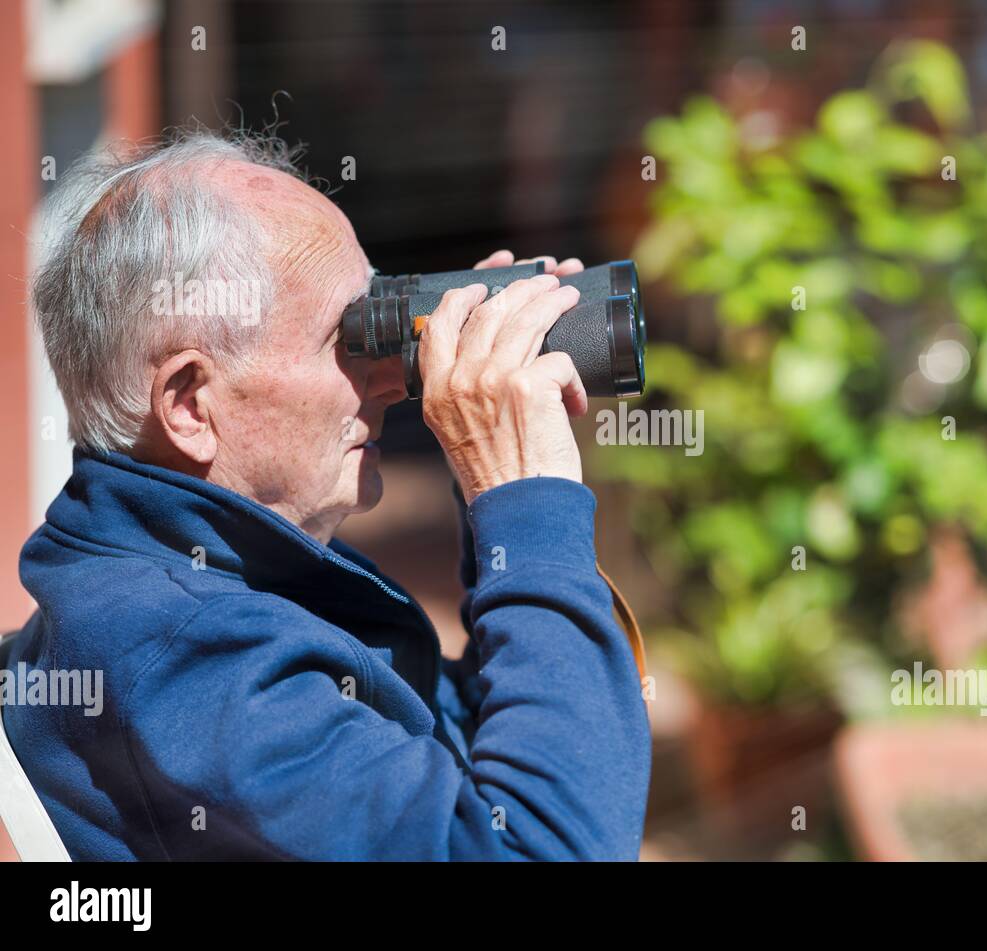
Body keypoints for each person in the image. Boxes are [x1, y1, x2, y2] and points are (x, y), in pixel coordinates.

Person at [1, 130, 651, 860]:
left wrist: (491, 490)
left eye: (381, 317)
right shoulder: (193, 664)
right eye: (347, 340)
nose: (390, 379)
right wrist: (527, 502)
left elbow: (451, 762)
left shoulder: (197, 578)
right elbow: (541, 847)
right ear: (190, 403)